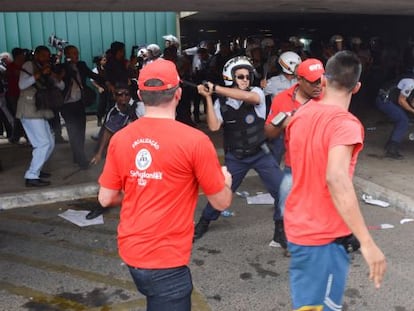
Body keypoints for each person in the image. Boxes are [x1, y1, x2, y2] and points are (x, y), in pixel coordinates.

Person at [97, 58, 233, 310]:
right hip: (166, 262)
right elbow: (221, 201)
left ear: (139, 94)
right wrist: (225, 181)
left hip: (131, 252)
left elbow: (105, 198)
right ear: (179, 94)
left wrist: (141, 191)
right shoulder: (196, 141)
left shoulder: (121, 138)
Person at [284, 51, 386, 310]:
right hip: (322, 239)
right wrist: (367, 242)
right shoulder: (345, 125)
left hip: (300, 227)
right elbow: (336, 179)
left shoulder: (299, 116)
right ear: (358, 87)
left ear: (324, 81)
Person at [194, 56, 283, 241]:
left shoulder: (256, 92)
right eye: (240, 76)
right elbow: (213, 126)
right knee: (221, 193)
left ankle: (280, 229)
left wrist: (215, 88)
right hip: (236, 157)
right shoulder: (222, 103)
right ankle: (204, 221)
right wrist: (209, 98)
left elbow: (249, 97)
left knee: (282, 192)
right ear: (230, 78)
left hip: (261, 153)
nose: (245, 80)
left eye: (248, 76)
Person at [264, 58, 325, 252]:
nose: (319, 85)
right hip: (295, 161)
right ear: (300, 79)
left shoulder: (328, 96)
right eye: (313, 81)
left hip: (321, 161)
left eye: (321, 79)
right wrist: (282, 124)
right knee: (285, 199)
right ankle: (280, 232)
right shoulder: (282, 99)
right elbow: (268, 133)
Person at [86, 83, 140, 220]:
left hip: (139, 150)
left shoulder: (139, 107)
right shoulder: (114, 112)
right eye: (119, 94)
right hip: (122, 151)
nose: (123, 97)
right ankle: (101, 206)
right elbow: (107, 132)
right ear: (114, 97)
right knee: (111, 182)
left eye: (126, 94)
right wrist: (99, 153)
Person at [16, 45, 65, 187]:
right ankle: (32, 175)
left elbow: (61, 86)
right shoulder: (29, 65)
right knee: (43, 143)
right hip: (29, 109)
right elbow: (22, 85)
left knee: (50, 142)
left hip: (41, 109)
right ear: (36, 55)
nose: (46, 58)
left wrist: (52, 75)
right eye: (43, 55)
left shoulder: (48, 68)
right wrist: (40, 73)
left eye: (48, 55)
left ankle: (36, 169)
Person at [60, 45, 104, 169]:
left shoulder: (81, 65)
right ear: (66, 55)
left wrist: (107, 79)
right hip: (66, 105)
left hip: (79, 102)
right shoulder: (62, 68)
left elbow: (93, 75)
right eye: (73, 53)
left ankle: (77, 155)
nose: (76, 55)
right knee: (73, 131)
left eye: (77, 53)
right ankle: (81, 159)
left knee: (81, 130)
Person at [375, 77, 414, 159]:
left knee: (402, 118)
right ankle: (391, 150)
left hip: (389, 100)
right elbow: (401, 101)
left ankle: (390, 144)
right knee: (403, 121)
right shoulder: (411, 83)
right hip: (384, 101)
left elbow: (412, 101)